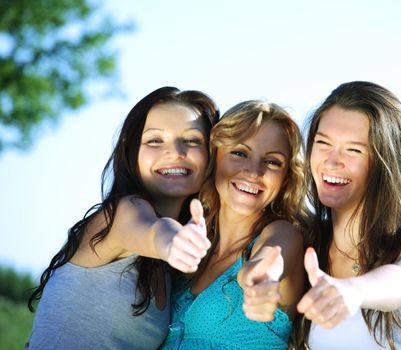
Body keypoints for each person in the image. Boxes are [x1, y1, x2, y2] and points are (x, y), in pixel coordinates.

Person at [27, 86, 219, 349]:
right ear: (132, 152)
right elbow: (152, 231)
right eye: (154, 140)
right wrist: (173, 242)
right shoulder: (120, 214)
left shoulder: (165, 271)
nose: (175, 151)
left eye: (192, 140)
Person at [294, 81, 401, 349]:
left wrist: (352, 291)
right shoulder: (309, 244)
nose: (331, 161)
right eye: (323, 143)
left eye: (354, 149)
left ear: (387, 161)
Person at [161, 100, 308, 350]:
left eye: (272, 162)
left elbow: (272, 258)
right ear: (214, 157)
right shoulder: (191, 244)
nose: (253, 171)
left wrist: (261, 278)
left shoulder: (283, 233)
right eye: (240, 153)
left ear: (286, 178)